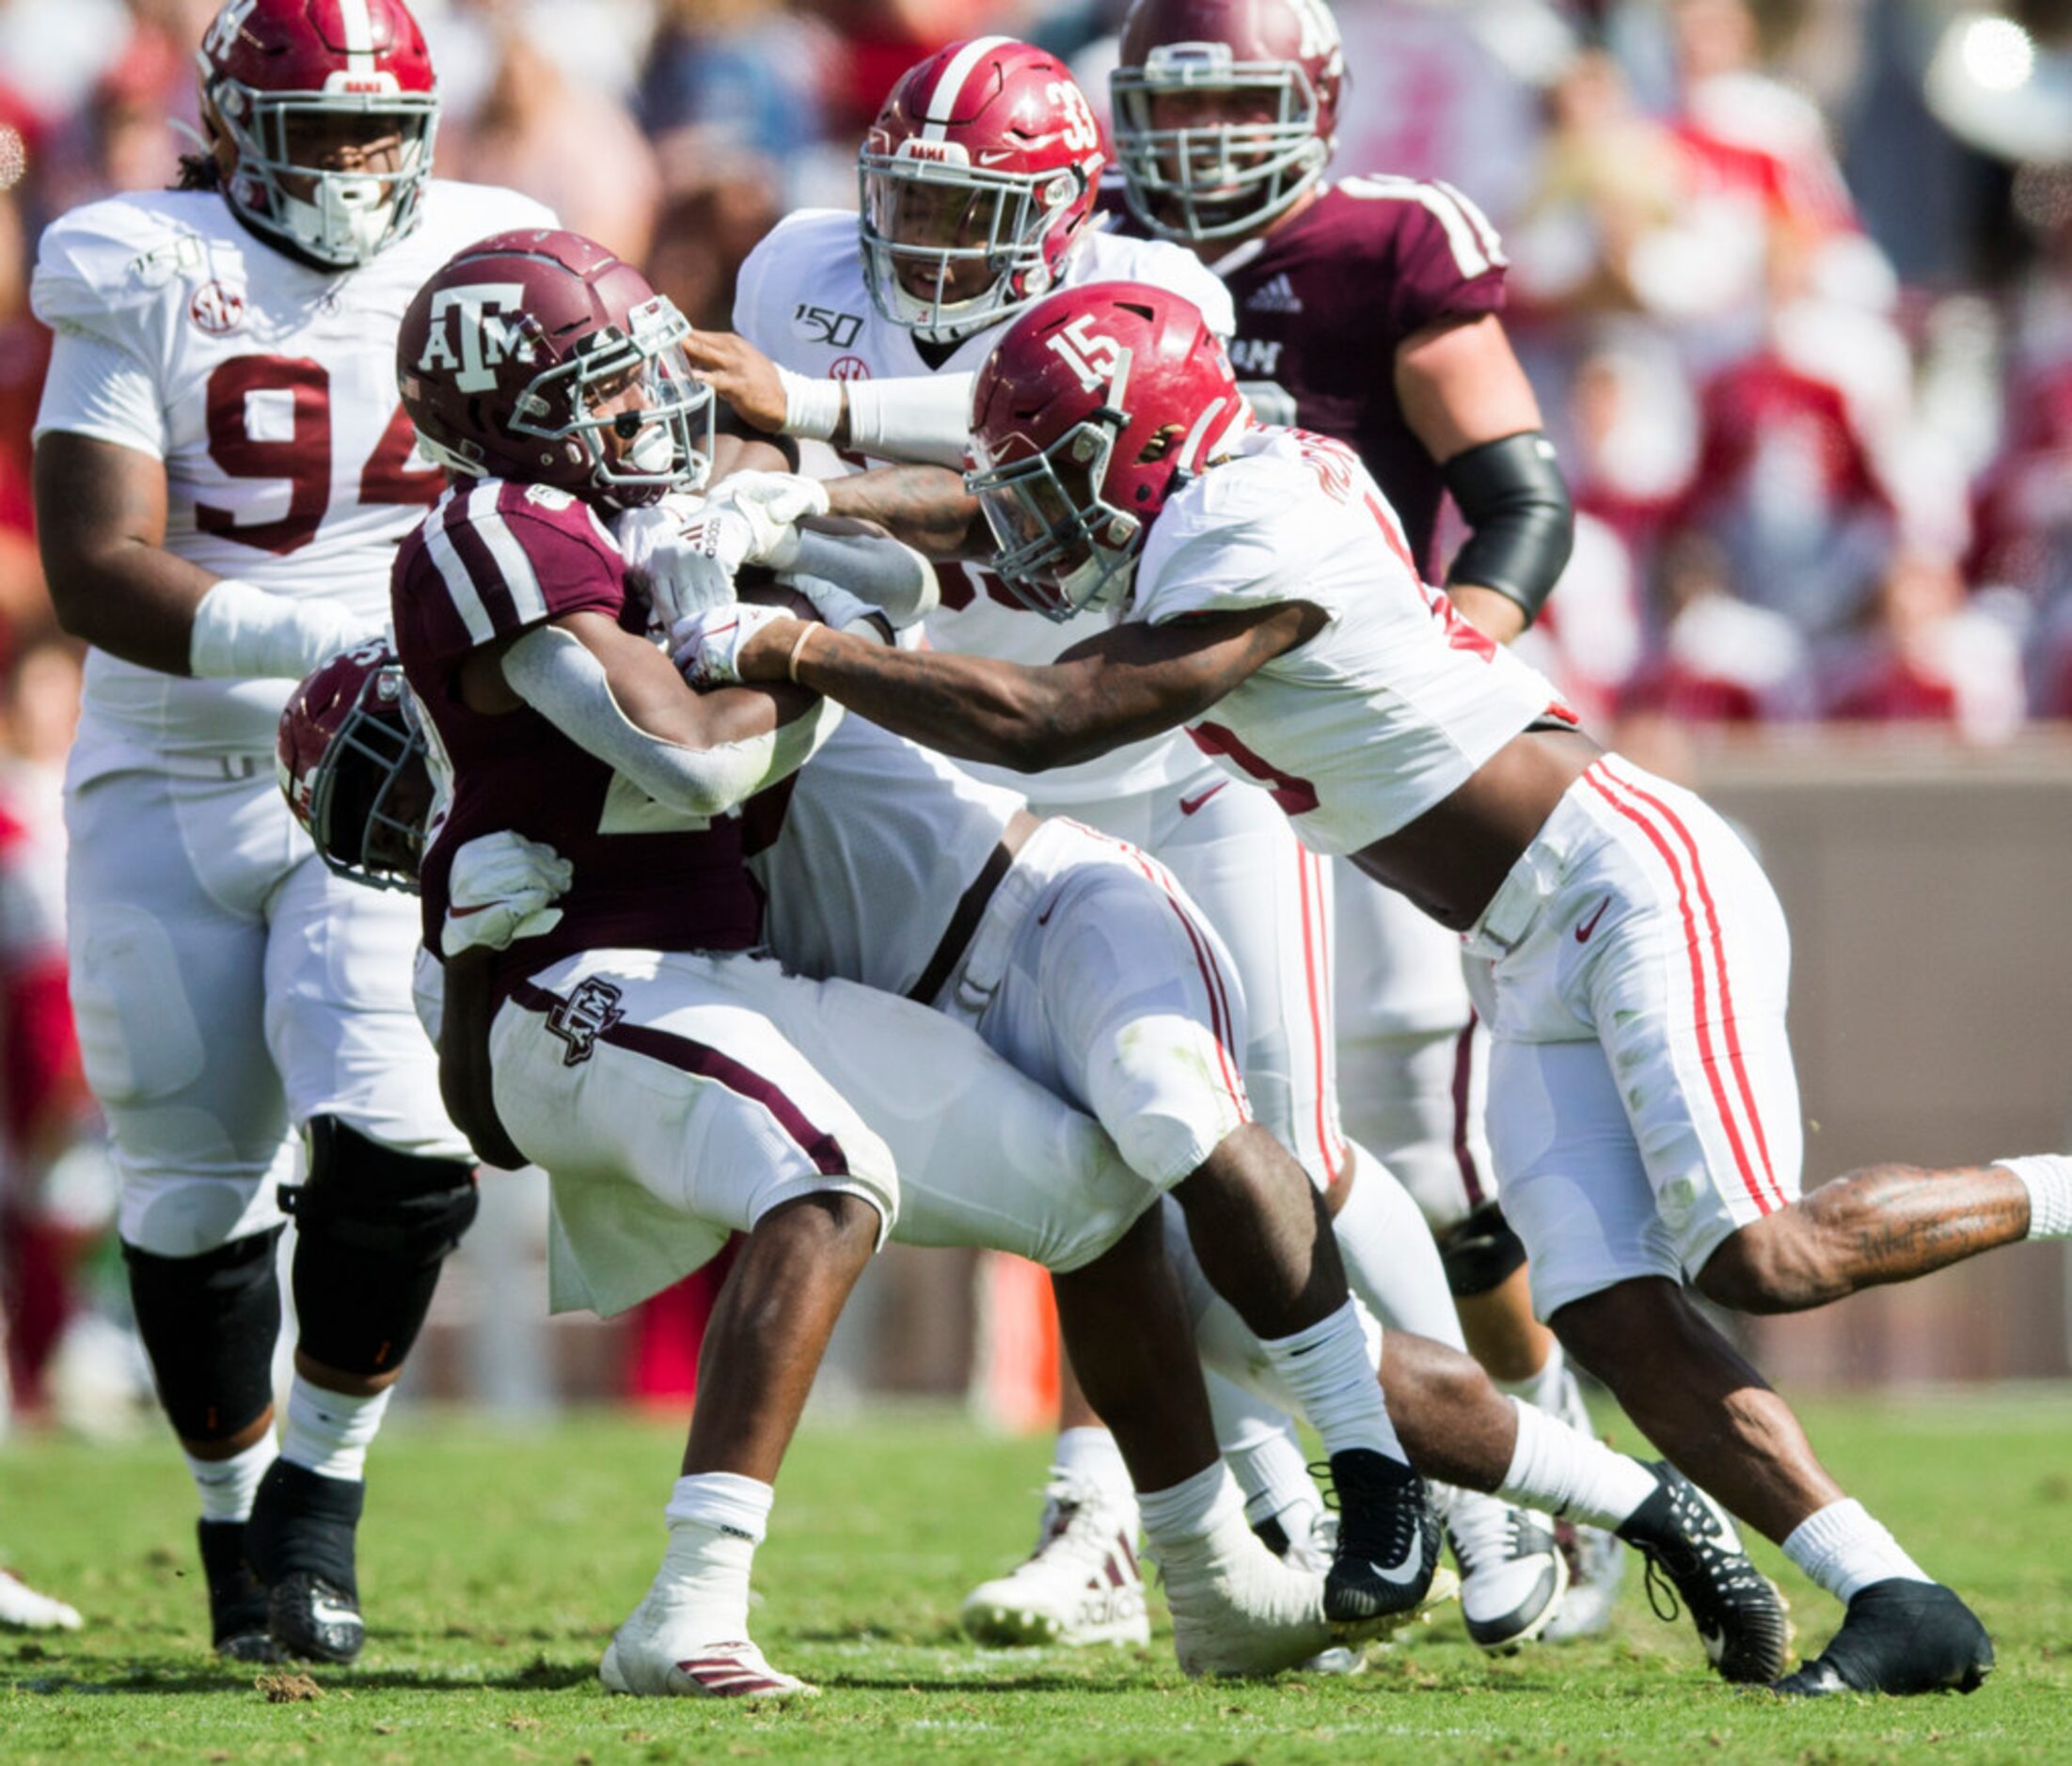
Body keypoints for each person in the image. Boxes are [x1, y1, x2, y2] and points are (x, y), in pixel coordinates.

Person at [675, 277, 2072, 1697]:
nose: (1040, 508)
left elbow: (1055, 715)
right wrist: (809, 509)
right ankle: (1895, 1595)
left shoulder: (1253, 527)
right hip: (1524, 940)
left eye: (1066, 472)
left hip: (1625, 878)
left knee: (1758, 1255)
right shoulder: (1210, 478)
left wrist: (790, 643)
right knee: (1603, 1306)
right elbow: (1001, 507)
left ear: (1147, 449)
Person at [293, 498, 1797, 1695]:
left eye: (393, 767)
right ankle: (1619, 1504)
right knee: (1163, 1262)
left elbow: (819, 650)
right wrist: (477, 943)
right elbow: (496, 1101)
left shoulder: (649, 660)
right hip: (912, 1010)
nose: (401, 807)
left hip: (1055, 909)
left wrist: (772, 571)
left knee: (1176, 1114)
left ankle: (1416, 1492)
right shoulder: (522, 877)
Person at [381, 227, 1392, 1695]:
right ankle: (689, 1607)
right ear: (500, 414)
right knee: (825, 1171)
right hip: (578, 972)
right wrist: (809, 648)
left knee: (1095, 1193)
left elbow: (901, 575)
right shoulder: (495, 529)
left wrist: (804, 601)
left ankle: (1216, 1579)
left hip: (722, 962)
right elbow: (690, 750)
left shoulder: (653, 512)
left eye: (647, 373)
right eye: (602, 389)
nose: (646, 410)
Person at [680, 33, 1563, 1655]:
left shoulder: (1154, 286)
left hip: (1166, 761)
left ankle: (1497, 1508)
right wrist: (747, 501)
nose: (933, 248)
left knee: (1284, 1160)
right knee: (1113, 1174)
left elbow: (987, 429)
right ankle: (1226, 1523)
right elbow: (770, 465)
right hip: (955, 777)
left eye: (977, 214)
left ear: (1070, 212)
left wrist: (809, 425)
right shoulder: (802, 256)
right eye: (912, 206)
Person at [27, 0, 556, 1664]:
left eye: (371, 128)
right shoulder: (135, 259)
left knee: (402, 1149)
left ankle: (317, 1509)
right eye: (311, 129)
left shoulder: (496, 249)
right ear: (234, 126)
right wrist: (304, 639)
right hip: (174, 770)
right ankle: (229, 1521)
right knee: (189, 1194)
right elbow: (93, 565)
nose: (346, 164)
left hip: (386, 777)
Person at [1105, 0, 1621, 1636]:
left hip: (1360, 742)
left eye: (1230, 110)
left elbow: (1519, 494)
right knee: (1222, 1128)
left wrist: (1445, 662)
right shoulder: (1094, 250)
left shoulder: (1388, 243)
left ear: (1312, 105)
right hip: (1181, 746)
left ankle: (1556, 1464)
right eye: (1165, 115)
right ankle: (1286, 1496)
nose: (1192, 151)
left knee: (1436, 1148)